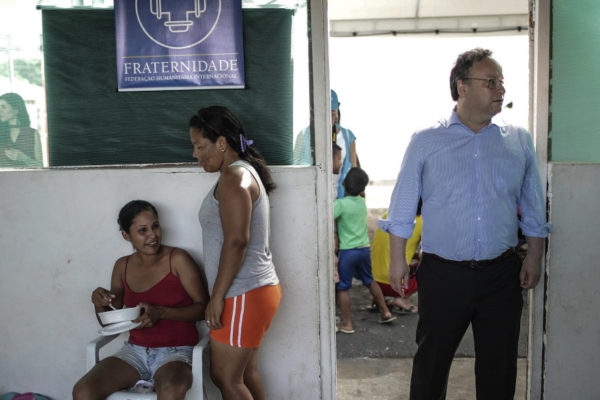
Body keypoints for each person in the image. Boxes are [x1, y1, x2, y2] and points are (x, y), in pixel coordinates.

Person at [379, 48, 550, 399]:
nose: (500, 89)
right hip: (444, 275)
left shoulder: (518, 139)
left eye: (501, 82)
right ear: (463, 87)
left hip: (501, 276)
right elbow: (403, 205)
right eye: (490, 82)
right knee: (431, 366)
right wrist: (397, 259)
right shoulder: (426, 141)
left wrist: (534, 256)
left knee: (499, 368)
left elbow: (533, 205)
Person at [73, 200, 209, 400]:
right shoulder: (123, 266)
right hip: (134, 352)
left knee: (171, 391)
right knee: (83, 392)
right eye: (142, 230)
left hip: (177, 352)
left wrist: (161, 312)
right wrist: (98, 302)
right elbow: (109, 321)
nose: (152, 235)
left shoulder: (178, 259)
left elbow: (204, 309)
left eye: (155, 226)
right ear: (126, 235)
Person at [189, 106, 281, 400]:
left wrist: (217, 298)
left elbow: (237, 241)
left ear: (221, 143)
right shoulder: (238, 174)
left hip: (243, 292)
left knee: (226, 377)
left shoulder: (234, 178)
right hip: (250, 291)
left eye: (199, 146)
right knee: (243, 374)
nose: (195, 154)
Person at [335, 167, 396, 333]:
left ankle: (346, 323)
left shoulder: (340, 205)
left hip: (348, 252)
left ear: (343, 183)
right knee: (370, 280)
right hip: (364, 249)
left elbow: (328, 216)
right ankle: (385, 311)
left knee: (343, 287)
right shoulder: (362, 203)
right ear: (362, 189)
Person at [293, 90, 358, 198]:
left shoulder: (347, 136)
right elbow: (297, 167)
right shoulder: (304, 134)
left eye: (332, 111)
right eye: (325, 111)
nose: (329, 116)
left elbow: (353, 169)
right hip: (314, 198)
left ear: (337, 112)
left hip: (340, 199)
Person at [371, 200, 423, 314]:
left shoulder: (387, 215)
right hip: (394, 286)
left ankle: (377, 297)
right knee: (429, 264)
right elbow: (427, 254)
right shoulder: (420, 223)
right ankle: (403, 299)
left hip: (373, 283)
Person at [0, 92, 42, 167]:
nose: (0, 111)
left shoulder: (32, 133)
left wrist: (23, 158)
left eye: (3, 107)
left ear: (16, 110)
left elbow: (40, 166)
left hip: (27, 178)